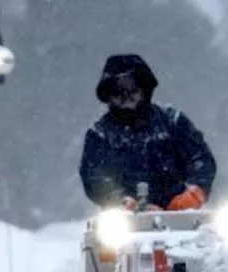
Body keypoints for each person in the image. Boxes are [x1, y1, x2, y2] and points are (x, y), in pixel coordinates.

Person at [79, 53, 216, 212]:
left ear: (145, 89)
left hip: (180, 214)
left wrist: (193, 193)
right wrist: (118, 200)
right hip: (123, 222)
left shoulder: (172, 122)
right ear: (109, 95)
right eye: (118, 92)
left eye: (132, 90)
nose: (126, 98)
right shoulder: (100, 134)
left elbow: (201, 160)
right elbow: (94, 176)